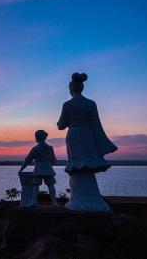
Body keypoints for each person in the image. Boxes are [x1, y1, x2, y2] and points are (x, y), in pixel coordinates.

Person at [57, 72, 118, 211]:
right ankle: (89, 198)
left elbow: (61, 125)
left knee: (78, 165)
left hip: (75, 135)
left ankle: (79, 200)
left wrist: (60, 123)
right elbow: (96, 124)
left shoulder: (68, 104)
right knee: (85, 164)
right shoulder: (91, 104)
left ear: (71, 89)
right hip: (88, 135)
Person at [19, 130, 58, 206]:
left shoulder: (35, 149)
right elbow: (54, 160)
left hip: (38, 168)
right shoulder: (50, 148)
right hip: (48, 168)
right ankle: (55, 202)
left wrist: (21, 169)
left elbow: (27, 160)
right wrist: (49, 163)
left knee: (36, 185)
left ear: (37, 137)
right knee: (51, 185)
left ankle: (34, 201)